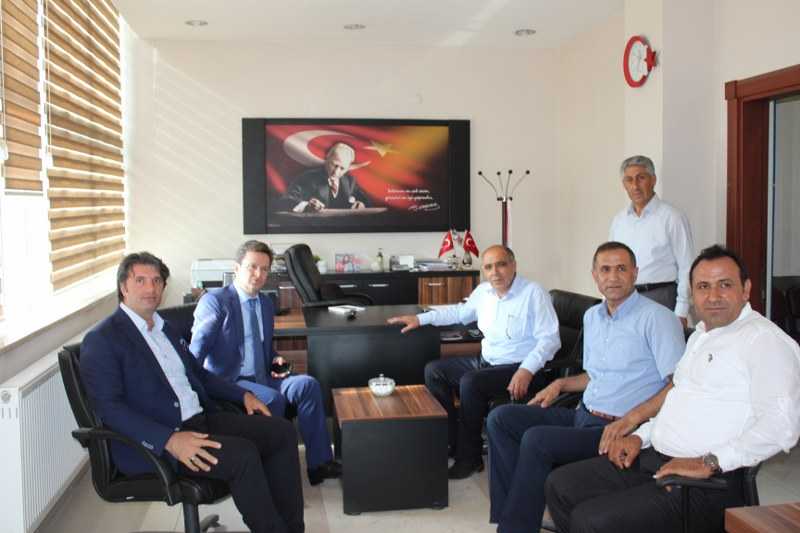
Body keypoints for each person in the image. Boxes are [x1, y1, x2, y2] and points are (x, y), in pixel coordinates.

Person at [545, 245, 800, 533]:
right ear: (692, 294)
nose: (713, 296)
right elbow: (677, 401)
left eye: (725, 284)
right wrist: (639, 437)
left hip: (708, 481)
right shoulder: (701, 336)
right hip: (655, 458)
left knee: (590, 520)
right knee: (560, 486)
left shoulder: (765, 341)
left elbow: (782, 426)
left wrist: (710, 462)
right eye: (703, 286)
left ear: (746, 289)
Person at [80, 252, 304, 533]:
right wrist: (168, 440)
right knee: (243, 455)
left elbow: (199, 374)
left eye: (157, 281)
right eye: (140, 280)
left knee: (282, 432)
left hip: (198, 420)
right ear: (123, 287)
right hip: (157, 440)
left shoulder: (165, 329)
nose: (151, 288)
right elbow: (109, 408)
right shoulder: (103, 339)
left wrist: (242, 395)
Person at [486, 241, 685, 533]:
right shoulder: (593, 317)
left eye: (621, 269)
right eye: (605, 269)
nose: (613, 277)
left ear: (635, 273)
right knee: (501, 419)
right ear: (595, 275)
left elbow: (677, 386)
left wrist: (632, 420)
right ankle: (514, 512)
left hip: (618, 429)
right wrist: (559, 384)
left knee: (537, 440)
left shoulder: (658, 318)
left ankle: (515, 528)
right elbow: (594, 375)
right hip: (583, 414)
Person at [387, 245, 561, 479]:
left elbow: (550, 340)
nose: (495, 272)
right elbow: (459, 313)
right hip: (487, 363)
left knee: (471, 382)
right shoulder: (484, 292)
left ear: (513, 265)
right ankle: (452, 442)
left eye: (501, 265)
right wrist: (420, 319)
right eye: (488, 267)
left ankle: (470, 457)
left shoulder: (534, 294)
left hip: (519, 368)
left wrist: (526, 370)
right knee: (435, 370)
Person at [190, 240, 341, 485]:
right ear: (236, 268)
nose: (258, 274)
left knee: (308, 385)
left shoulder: (265, 303)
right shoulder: (216, 302)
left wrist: (276, 359)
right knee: (272, 399)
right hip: (230, 381)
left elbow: (265, 349)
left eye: (264, 269)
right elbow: (195, 357)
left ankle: (319, 463)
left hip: (263, 376)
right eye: (252, 267)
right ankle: (277, 469)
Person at [609, 155, 694, 326]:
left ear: (653, 180)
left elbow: (687, 267)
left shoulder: (672, 218)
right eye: (629, 180)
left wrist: (681, 310)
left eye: (641, 178)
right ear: (624, 184)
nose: (635, 186)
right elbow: (610, 263)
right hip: (624, 299)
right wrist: (608, 300)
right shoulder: (619, 221)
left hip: (660, 298)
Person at [282, 142, 369, 212]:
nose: (336, 172)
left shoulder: (349, 181)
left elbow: (367, 202)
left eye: (342, 168)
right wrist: (306, 205)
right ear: (327, 158)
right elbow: (286, 201)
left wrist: (361, 204)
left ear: (348, 168)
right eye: (334, 165)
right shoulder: (307, 177)